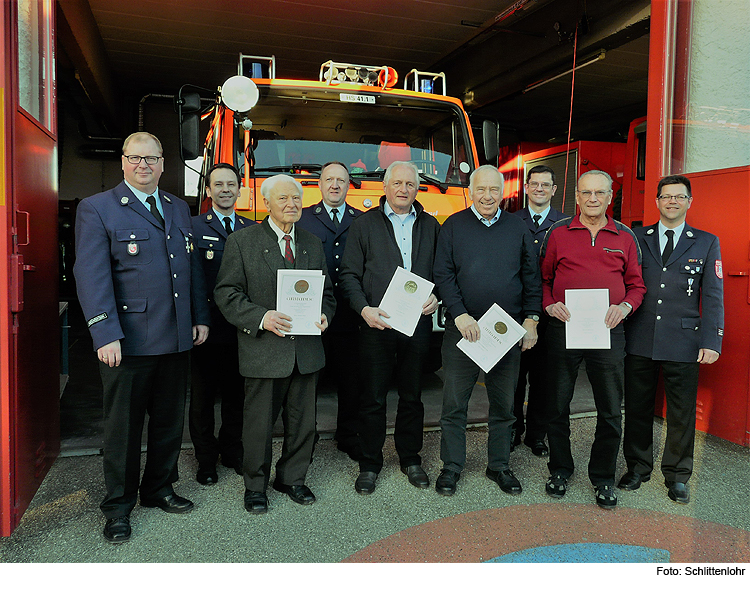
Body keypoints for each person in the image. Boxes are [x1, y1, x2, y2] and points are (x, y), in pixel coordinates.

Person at [74, 132, 210, 544]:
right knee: (124, 429)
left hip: (174, 338)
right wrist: (104, 332)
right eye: (135, 158)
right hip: (127, 343)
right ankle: (118, 506)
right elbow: (91, 276)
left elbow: (189, 270)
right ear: (122, 162)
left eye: (151, 158)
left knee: (169, 423)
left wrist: (199, 316)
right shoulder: (97, 209)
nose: (143, 165)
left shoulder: (177, 208)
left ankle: (159, 488)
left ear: (163, 163)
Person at [214, 174, 335, 514]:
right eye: (283, 199)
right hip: (264, 350)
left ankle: (292, 479)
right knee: (257, 425)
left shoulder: (312, 242)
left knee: (303, 423)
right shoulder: (243, 241)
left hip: (306, 352)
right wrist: (261, 318)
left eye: (296, 199)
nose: (292, 205)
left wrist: (325, 315)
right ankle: (255, 486)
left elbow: (327, 295)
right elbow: (226, 293)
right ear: (266, 203)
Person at [433, 165, 542, 496]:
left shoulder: (517, 227)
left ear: (503, 192)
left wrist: (531, 320)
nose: (487, 196)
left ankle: (499, 466)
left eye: (494, 190)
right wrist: (460, 315)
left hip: (504, 331)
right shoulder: (453, 226)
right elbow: (444, 273)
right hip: (463, 329)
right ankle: (451, 467)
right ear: (471, 189)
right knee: (454, 403)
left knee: (504, 404)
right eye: (481, 189)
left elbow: (531, 277)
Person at [540, 170, 645, 509]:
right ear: (576, 197)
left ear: (610, 196)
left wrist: (625, 306)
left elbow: (637, 285)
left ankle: (602, 477)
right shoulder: (557, 233)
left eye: (600, 193)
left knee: (611, 408)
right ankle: (559, 469)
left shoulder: (625, 236)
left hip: (608, 329)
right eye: (586, 193)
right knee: (557, 404)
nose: (593, 199)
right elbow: (542, 280)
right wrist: (549, 304)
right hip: (563, 329)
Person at [619, 175, 723, 504]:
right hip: (640, 338)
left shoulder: (706, 242)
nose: (673, 202)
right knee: (636, 407)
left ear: (690, 201)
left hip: (684, 341)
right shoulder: (637, 237)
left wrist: (712, 341)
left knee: (681, 413)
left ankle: (678, 475)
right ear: (657, 201)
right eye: (666, 197)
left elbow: (714, 295)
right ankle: (637, 466)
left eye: (679, 197)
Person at [339, 161, 440, 495]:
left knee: (412, 397)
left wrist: (436, 298)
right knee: (372, 398)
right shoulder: (364, 225)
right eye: (397, 183)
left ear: (417, 188)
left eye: (410, 184)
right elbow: (349, 275)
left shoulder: (430, 225)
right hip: (376, 325)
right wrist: (363, 309)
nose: (403, 189)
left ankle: (411, 458)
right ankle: (370, 463)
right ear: (384, 186)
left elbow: (441, 272)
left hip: (417, 325)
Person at [189, 163, 252, 485]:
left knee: (236, 396)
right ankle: (205, 460)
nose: (226, 189)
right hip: (207, 329)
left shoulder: (253, 228)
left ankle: (232, 451)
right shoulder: (193, 227)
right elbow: (190, 280)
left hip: (241, 330)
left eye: (231, 184)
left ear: (239, 189)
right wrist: (196, 320)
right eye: (219, 185)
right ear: (209, 191)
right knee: (201, 400)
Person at [297, 162, 363, 460]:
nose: (335, 185)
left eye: (341, 180)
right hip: (311, 314)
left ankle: (348, 435)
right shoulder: (303, 218)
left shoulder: (361, 220)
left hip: (350, 314)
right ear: (319, 184)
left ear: (349, 185)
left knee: (351, 380)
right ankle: (304, 439)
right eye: (329, 180)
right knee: (309, 382)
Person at [512, 165, 568, 456]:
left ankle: (536, 435)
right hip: (515, 312)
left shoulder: (566, 224)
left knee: (544, 378)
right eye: (535, 184)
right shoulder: (510, 221)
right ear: (526, 186)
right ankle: (512, 429)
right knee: (513, 376)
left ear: (554, 190)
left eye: (546, 185)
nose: (540, 189)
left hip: (550, 315)